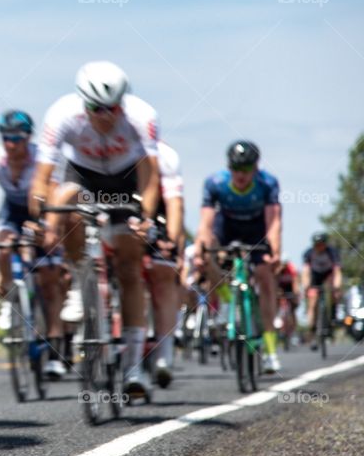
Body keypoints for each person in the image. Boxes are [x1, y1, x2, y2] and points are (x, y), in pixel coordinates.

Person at [30, 60, 161, 398]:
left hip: (126, 175)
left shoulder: (142, 117)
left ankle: (133, 366)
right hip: (83, 173)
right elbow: (42, 177)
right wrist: (44, 212)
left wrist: (144, 216)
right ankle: (78, 276)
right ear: (81, 102)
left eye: (112, 108)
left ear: (123, 102)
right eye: (95, 108)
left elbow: (150, 174)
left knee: (131, 266)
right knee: (66, 202)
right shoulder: (61, 114)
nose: (104, 116)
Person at [0, 110, 67, 379]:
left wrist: (49, 228)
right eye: (6, 138)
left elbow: (53, 193)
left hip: (41, 211)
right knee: (2, 248)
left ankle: (54, 350)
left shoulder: (42, 158)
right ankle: (8, 293)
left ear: (28, 138)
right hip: (11, 213)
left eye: (16, 138)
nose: (10, 144)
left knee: (50, 286)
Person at [194, 140, 282, 372]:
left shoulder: (267, 183)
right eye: (235, 169)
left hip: (256, 229)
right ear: (228, 167)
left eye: (246, 169)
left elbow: (273, 222)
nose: (240, 175)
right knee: (208, 249)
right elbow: (205, 223)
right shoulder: (215, 183)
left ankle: (271, 351)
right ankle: (224, 295)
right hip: (228, 226)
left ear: (255, 168)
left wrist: (275, 251)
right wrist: (200, 249)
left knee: (264, 275)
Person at [145, 139, 184, 388]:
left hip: (159, 213)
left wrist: (171, 240)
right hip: (119, 207)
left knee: (163, 276)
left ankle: (164, 354)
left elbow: (175, 205)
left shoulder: (166, 156)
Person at [301, 232, 342, 350]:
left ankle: (333, 316)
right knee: (312, 300)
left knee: (335, 293)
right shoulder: (308, 253)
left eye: (321, 244)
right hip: (315, 276)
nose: (319, 247)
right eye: (316, 245)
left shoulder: (332, 252)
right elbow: (305, 271)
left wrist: (336, 286)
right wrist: (306, 286)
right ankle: (313, 330)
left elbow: (337, 271)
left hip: (328, 274)